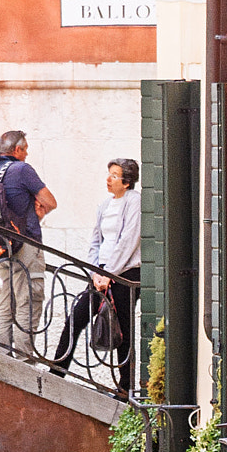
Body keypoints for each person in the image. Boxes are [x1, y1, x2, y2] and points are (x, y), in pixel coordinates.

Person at [54, 158, 141, 395]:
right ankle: (57, 371)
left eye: (114, 175)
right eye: (109, 174)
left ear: (127, 181)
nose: (109, 179)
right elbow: (95, 242)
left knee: (123, 328)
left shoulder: (134, 201)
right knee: (77, 316)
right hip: (100, 275)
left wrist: (109, 273)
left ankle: (126, 387)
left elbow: (129, 240)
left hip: (124, 274)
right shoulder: (104, 206)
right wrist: (95, 273)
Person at [0, 131, 56, 349]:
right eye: (25, 149)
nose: (26, 154)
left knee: (5, 302)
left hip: (1, 246)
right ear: (16, 150)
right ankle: (25, 361)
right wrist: (39, 211)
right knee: (28, 299)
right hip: (26, 243)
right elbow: (50, 201)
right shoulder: (22, 169)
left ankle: (2, 358)